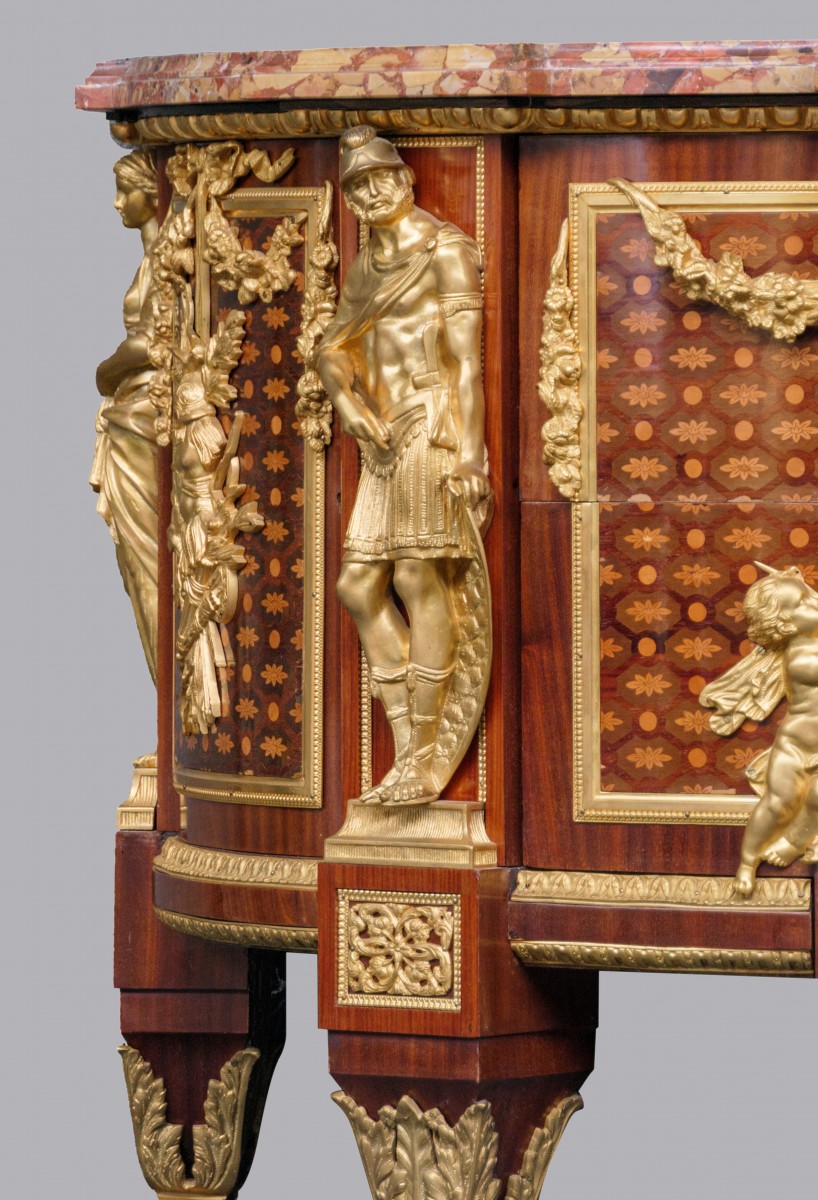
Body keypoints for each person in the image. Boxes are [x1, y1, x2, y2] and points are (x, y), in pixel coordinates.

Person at [317, 126, 492, 806]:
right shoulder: (367, 266)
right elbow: (334, 347)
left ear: (405, 177)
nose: (371, 192)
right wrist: (346, 400)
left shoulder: (445, 250)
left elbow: (468, 361)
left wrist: (471, 453)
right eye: (357, 186)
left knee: (419, 575)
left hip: (430, 422)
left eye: (380, 178)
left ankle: (422, 755)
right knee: (358, 587)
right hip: (382, 439)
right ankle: (407, 745)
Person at [700, 564, 818, 894]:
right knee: (777, 803)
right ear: (786, 625)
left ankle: (796, 841)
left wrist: (796, 584)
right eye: (805, 602)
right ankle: (747, 862)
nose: (814, 601)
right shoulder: (801, 659)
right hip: (795, 746)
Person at [90, 150, 160, 682]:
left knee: (150, 563)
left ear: (152, 192)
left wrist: (104, 372)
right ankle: (173, 706)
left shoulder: (166, 260)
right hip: (133, 413)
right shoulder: (153, 257)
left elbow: (151, 346)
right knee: (138, 566)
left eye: (125, 190)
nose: (117, 203)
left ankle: (180, 705)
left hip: (145, 417)